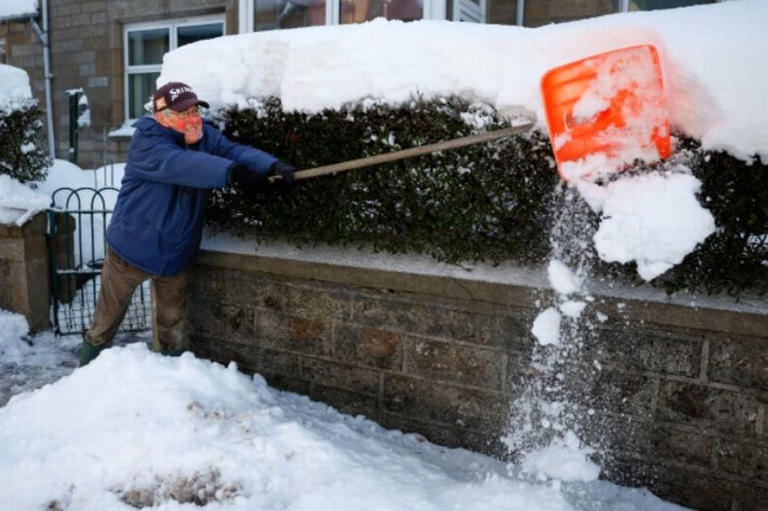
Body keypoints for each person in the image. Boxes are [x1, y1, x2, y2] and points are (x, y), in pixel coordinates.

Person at [78, 81, 296, 366]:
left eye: (194, 110)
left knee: (172, 326)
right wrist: (234, 173)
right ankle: (85, 375)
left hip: (175, 253)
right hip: (131, 251)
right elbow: (180, 164)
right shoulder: (148, 144)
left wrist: (270, 166)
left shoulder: (202, 135)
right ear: (161, 116)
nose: (193, 118)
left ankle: (174, 383)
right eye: (183, 112)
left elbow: (233, 151)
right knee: (104, 324)